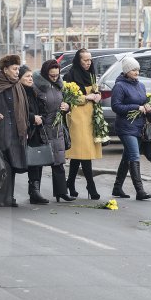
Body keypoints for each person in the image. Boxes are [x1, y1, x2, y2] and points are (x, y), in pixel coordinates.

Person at [31, 61, 76, 203]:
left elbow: (65, 102)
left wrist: (67, 107)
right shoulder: (36, 87)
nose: (55, 77)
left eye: (57, 75)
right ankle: (34, 193)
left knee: (58, 161)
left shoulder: (59, 85)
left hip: (56, 128)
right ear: (45, 73)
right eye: (52, 75)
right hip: (41, 128)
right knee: (38, 162)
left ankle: (61, 192)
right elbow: (32, 105)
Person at [0, 55, 29, 207]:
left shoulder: (17, 85)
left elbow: (24, 109)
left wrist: (25, 128)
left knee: (13, 165)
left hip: (17, 132)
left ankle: (8, 196)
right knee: (3, 167)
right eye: (14, 69)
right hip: (2, 132)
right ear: (5, 70)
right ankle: (1, 196)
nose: (17, 72)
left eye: (18, 69)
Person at [110, 56, 151, 200]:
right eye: (134, 69)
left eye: (138, 70)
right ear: (126, 70)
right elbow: (116, 107)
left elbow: (144, 101)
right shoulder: (119, 86)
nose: (137, 72)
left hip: (139, 126)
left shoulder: (140, 85)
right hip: (125, 127)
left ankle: (117, 188)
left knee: (127, 157)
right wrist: (136, 107)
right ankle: (140, 191)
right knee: (134, 155)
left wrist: (149, 107)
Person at [63, 48, 102, 200]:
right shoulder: (70, 75)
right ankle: (91, 186)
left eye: (90, 60)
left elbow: (96, 91)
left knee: (79, 154)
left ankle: (70, 183)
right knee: (84, 153)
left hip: (91, 117)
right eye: (85, 60)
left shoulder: (91, 75)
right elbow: (69, 98)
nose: (88, 63)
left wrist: (97, 95)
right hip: (78, 118)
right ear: (78, 61)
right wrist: (87, 97)